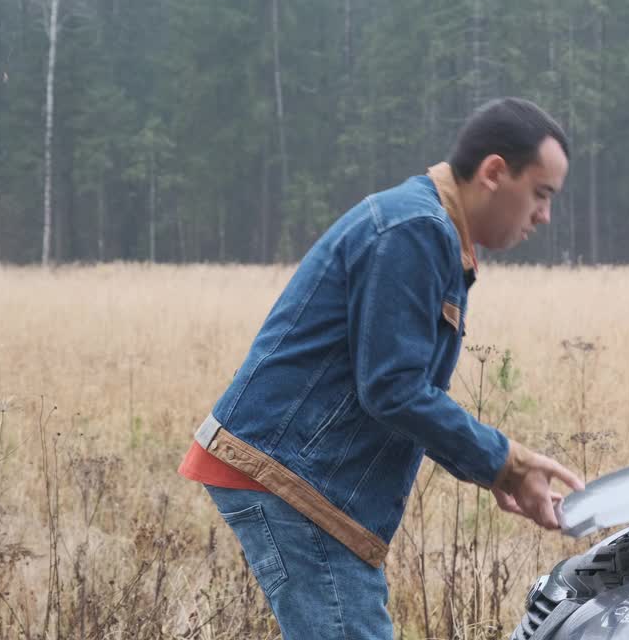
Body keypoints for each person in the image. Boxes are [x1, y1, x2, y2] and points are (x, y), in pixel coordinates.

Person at [177, 97, 585, 638]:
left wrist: (497, 471)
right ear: (494, 172)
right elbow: (392, 389)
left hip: (307, 478)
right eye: (540, 194)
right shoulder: (413, 229)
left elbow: (399, 390)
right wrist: (506, 462)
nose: (544, 215)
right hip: (292, 478)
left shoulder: (431, 230)